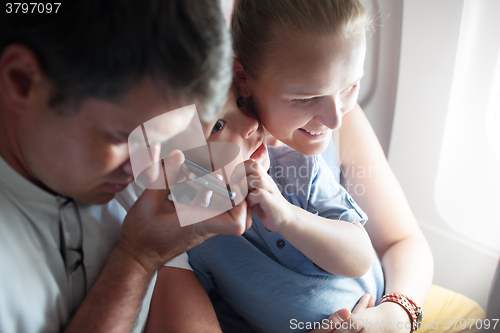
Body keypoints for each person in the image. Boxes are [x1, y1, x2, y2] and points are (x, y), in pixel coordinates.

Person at [149, 0, 485, 332]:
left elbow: (401, 241)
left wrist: (394, 316)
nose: (335, 117)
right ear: (243, 77)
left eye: (351, 86)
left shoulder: (319, 147)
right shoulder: (190, 177)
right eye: (305, 98)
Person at [0, 1, 253, 332]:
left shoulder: (125, 176)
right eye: (122, 138)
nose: (146, 169)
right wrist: (136, 261)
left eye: (169, 138)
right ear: (22, 81)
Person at [147, 84, 381, 332]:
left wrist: (287, 217)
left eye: (240, 104)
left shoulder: (298, 166)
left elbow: (361, 258)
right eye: (218, 125)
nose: (250, 123)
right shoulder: (198, 236)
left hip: (375, 313)